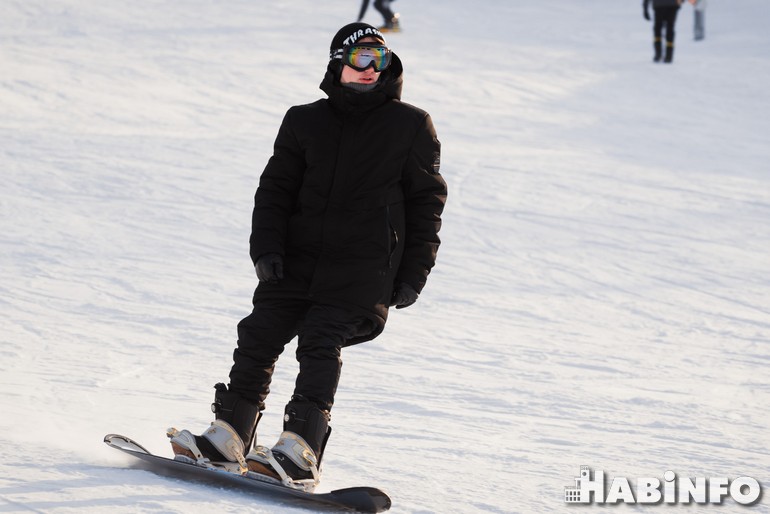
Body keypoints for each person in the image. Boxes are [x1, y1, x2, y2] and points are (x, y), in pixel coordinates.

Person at [168, 22, 447, 493]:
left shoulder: (410, 125)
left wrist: (415, 272)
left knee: (320, 342)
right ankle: (229, 437)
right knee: (258, 335)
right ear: (339, 62)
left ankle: (299, 451)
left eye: (379, 61)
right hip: (296, 261)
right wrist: (266, 249)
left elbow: (427, 205)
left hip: (363, 269)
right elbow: (275, 190)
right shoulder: (303, 120)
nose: (369, 70)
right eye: (360, 59)